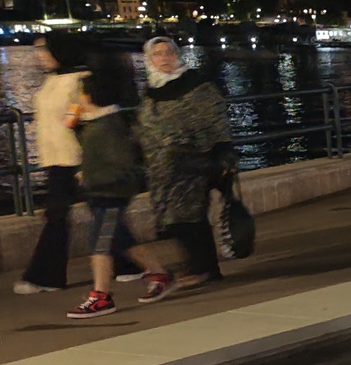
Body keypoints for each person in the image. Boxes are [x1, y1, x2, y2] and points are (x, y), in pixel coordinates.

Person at [15, 34, 141, 295]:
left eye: (44, 50)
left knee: (66, 215)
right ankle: (129, 264)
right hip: (56, 158)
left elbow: (93, 118)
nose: (40, 56)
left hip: (78, 158)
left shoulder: (80, 80)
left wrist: (88, 159)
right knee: (99, 214)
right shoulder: (53, 79)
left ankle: (46, 277)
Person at [66, 52, 177, 317]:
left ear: (91, 96)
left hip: (108, 193)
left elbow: (120, 164)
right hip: (102, 192)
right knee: (122, 241)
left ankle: (101, 295)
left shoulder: (107, 127)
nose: (78, 99)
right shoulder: (98, 125)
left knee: (101, 245)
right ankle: (160, 274)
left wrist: (90, 177)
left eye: (81, 94)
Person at [134, 35, 232, 296]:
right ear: (149, 60)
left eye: (168, 52)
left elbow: (215, 119)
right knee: (172, 219)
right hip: (161, 170)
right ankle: (197, 266)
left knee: (190, 215)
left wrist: (222, 154)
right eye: (157, 54)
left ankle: (204, 268)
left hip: (191, 163)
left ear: (177, 55)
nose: (164, 58)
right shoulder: (151, 90)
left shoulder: (195, 85)